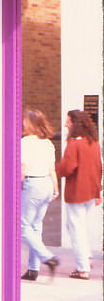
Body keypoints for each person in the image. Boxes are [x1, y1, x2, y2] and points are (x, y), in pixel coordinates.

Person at [56, 109, 102, 280]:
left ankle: (82, 268)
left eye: (68, 121)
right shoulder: (94, 143)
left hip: (76, 193)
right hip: (91, 192)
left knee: (76, 230)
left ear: (75, 124)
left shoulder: (74, 143)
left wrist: (57, 168)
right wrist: (98, 192)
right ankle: (87, 257)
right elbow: (99, 167)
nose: (65, 124)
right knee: (78, 227)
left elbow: (67, 168)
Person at [20, 109, 60, 281]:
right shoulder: (47, 143)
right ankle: (32, 269)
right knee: (35, 227)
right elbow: (52, 169)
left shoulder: (26, 142)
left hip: (33, 184)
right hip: (47, 184)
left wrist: (16, 186)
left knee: (22, 227)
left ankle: (47, 258)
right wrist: (56, 188)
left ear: (30, 123)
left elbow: (22, 167)